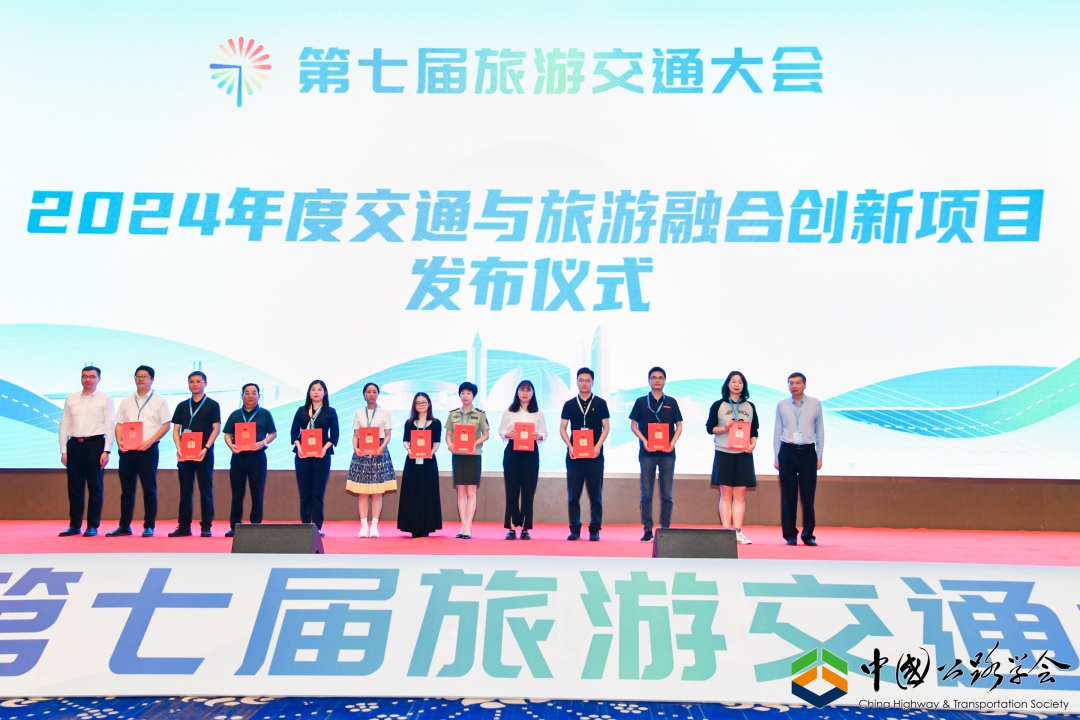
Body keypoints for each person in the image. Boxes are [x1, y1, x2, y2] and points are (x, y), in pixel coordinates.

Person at [109, 365, 171, 537]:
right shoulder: (127, 400)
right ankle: (124, 526)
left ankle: (149, 526)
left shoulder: (159, 400)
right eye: (138, 376)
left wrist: (150, 442)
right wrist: (120, 441)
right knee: (127, 490)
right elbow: (119, 424)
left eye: (145, 376)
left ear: (152, 379)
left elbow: (166, 425)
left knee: (149, 489)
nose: (141, 379)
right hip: (127, 451)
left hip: (148, 450)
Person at [58, 366, 115, 537]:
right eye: (84, 376)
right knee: (74, 488)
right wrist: (64, 450)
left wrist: (107, 451)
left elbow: (110, 426)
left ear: (99, 379)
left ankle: (92, 525)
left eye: (91, 376)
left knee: (95, 487)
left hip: (95, 445)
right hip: (74, 445)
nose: (87, 379)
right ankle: (74, 525)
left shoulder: (105, 399)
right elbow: (64, 424)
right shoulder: (71, 398)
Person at [629, 366, 683, 543]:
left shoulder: (672, 402)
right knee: (646, 493)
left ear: (665, 381)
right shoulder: (641, 402)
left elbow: (679, 425)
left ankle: (665, 529)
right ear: (649, 381)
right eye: (654, 377)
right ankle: (647, 530)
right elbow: (633, 425)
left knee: (667, 494)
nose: (657, 380)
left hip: (667, 454)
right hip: (647, 453)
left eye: (660, 378)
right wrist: (644, 440)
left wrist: (672, 442)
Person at [706, 370, 759, 545]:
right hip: (724, 453)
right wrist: (725, 428)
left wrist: (752, 444)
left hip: (743, 454)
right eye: (733, 381)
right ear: (727, 384)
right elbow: (710, 428)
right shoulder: (718, 405)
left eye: (740, 382)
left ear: (744, 386)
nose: (737, 384)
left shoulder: (750, 406)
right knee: (726, 494)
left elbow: (754, 430)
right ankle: (726, 532)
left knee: (740, 495)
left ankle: (737, 531)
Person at [773, 372, 825, 546]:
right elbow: (777, 431)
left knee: (808, 495)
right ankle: (790, 535)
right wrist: (776, 456)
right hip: (787, 450)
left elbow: (820, 431)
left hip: (808, 451)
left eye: (797, 383)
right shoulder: (782, 405)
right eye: (791, 383)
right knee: (788, 495)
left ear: (805, 385)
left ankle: (808, 535)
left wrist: (819, 455)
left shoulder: (815, 403)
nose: (794, 386)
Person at [560, 367, 610, 541]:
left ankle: (595, 529)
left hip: (595, 457)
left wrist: (598, 446)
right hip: (575, 456)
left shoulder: (601, 403)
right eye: (581, 380)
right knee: (573, 495)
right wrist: (570, 446)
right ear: (576, 382)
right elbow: (562, 428)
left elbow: (606, 427)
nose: (584, 383)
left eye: (587, 381)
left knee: (596, 495)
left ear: (592, 383)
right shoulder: (569, 404)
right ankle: (574, 529)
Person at [170, 371, 220, 537]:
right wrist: (179, 448)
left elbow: (216, 429)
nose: (195, 384)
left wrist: (206, 448)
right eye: (192, 381)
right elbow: (176, 430)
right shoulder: (182, 406)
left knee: (205, 490)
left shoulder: (213, 405)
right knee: (185, 490)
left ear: (205, 383)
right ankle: (184, 526)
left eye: (199, 381)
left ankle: (206, 526)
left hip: (203, 454)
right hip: (185, 454)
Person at [222, 383, 277, 538]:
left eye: (254, 393)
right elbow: (227, 434)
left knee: (257, 492)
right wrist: (231, 445)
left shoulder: (265, 414)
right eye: (247, 393)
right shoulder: (235, 415)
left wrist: (263, 443)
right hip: (238, 457)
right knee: (237, 493)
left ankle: (255, 525)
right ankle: (235, 525)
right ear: (242, 396)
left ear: (259, 395)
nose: (250, 396)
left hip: (257, 457)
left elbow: (273, 433)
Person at [498, 380, 547, 540]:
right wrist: (507, 434)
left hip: (531, 453)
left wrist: (539, 436)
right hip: (512, 452)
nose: (525, 393)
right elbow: (501, 429)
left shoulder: (538, 412)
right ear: (517, 392)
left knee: (528, 491)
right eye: (522, 390)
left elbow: (544, 432)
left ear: (533, 393)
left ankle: (525, 528)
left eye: (528, 390)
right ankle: (512, 528)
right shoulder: (509, 411)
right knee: (511, 490)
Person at [290, 380, 339, 536]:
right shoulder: (301, 411)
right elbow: (294, 433)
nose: (316, 392)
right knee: (304, 493)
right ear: (309, 392)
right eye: (313, 389)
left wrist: (324, 449)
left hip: (321, 456)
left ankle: (317, 528)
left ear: (325, 392)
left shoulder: (330, 412)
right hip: (302, 455)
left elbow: (335, 435)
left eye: (319, 389)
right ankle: (305, 525)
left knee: (317, 493)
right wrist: (299, 447)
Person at [347, 382, 395, 538]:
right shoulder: (359, 413)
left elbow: (388, 435)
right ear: (364, 395)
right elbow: (356, 435)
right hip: (362, 453)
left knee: (376, 492)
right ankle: (363, 527)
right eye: (368, 391)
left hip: (378, 453)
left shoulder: (385, 412)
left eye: (374, 391)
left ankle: (374, 526)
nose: (371, 394)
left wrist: (382, 447)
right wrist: (355, 448)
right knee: (362, 492)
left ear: (378, 394)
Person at [445, 381, 489, 539]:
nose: (465, 396)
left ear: (473, 396)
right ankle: (463, 525)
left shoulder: (480, 414)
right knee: (460, 492)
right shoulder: (453, 414)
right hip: (458, 456)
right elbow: (448, 434)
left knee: (471, 492)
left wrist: (473, 443)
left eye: (468, 393)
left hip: (473, 456)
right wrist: (449, 444)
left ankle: (468, 527)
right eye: (462, 393)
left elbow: (486, 435)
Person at [396, 392, 443, 538]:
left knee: (427, 492)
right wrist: (409, 449)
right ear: (414, 405)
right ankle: (412, 526)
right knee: (412, 492)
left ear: (429, 404)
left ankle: (427, 526)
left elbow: (437, 442)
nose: (421, 405)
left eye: (423, 402)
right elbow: (405, 440)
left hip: (429, 462)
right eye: (418, 403)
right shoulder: (409, 423)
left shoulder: (436, 423)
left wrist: (431, 452)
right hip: (412, 461)